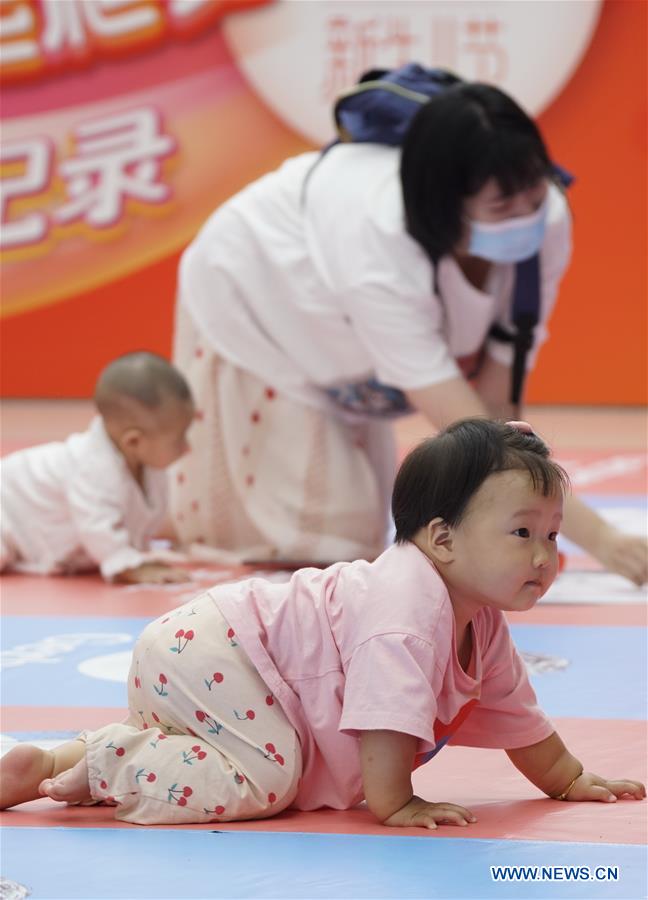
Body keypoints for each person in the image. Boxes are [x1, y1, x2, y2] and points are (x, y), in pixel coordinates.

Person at [1, 419, 644, 826]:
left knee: (245, 758)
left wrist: (570, 780)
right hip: (218, 654)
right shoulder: (408, 614)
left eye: (554, 536)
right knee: (267, 779)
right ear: (443, 539)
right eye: (523, 533)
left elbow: (518, 717)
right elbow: (385, 720)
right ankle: (112, 763)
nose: (543, 555)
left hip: (219, 654)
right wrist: (397, 803)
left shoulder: (479, 620)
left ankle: (57, 760)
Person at [169, 75, 646, 585]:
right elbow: (469, 429)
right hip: (260, 300)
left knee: (363, 528)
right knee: (317, 538)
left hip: (350, 334)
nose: (525, 218)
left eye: (532, 197)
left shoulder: (546, 217)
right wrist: (603, 541)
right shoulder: (378, 240)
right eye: (502, 208)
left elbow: (499, 408)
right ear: (445, 205)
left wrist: (524, 516)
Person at [0, 351, 194, 584]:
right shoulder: (92, 469)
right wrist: (129, 565)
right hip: (7, 504)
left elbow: (143, 515)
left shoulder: (145, 462)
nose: (187, 448)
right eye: (179, 439)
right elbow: (97, 526)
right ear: (133, 441)